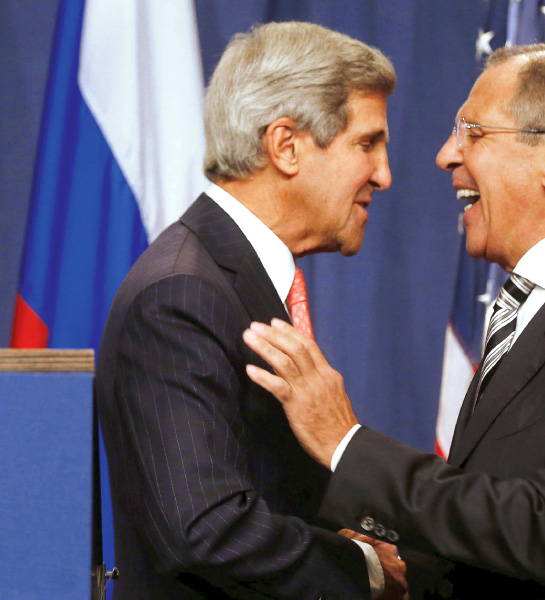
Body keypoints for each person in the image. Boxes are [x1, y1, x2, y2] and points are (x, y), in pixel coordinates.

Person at [242, 42, 545, 599]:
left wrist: (348, 444)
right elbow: (496, 520)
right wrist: (398, 568)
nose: (446, 154)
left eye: (473, 133)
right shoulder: (530, 303)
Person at [95, 21, 408, 600]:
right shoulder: (180, 296)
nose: (384, 175)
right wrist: (361, 568)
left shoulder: (234, 279)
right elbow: (203, 527)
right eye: (367, 143)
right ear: (285, 145)